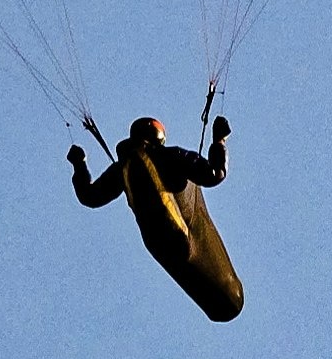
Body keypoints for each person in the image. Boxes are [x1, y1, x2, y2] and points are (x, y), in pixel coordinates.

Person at [71, 114, 242, 321]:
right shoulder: (171, 156)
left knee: (213, 291)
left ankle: (221, 302)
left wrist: (79, 165)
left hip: (157, 243)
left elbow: (90, 196)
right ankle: (222, 300)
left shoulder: (123, 168)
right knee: (226, 297)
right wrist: (219, 142)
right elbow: (215, 174)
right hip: (178, 235)